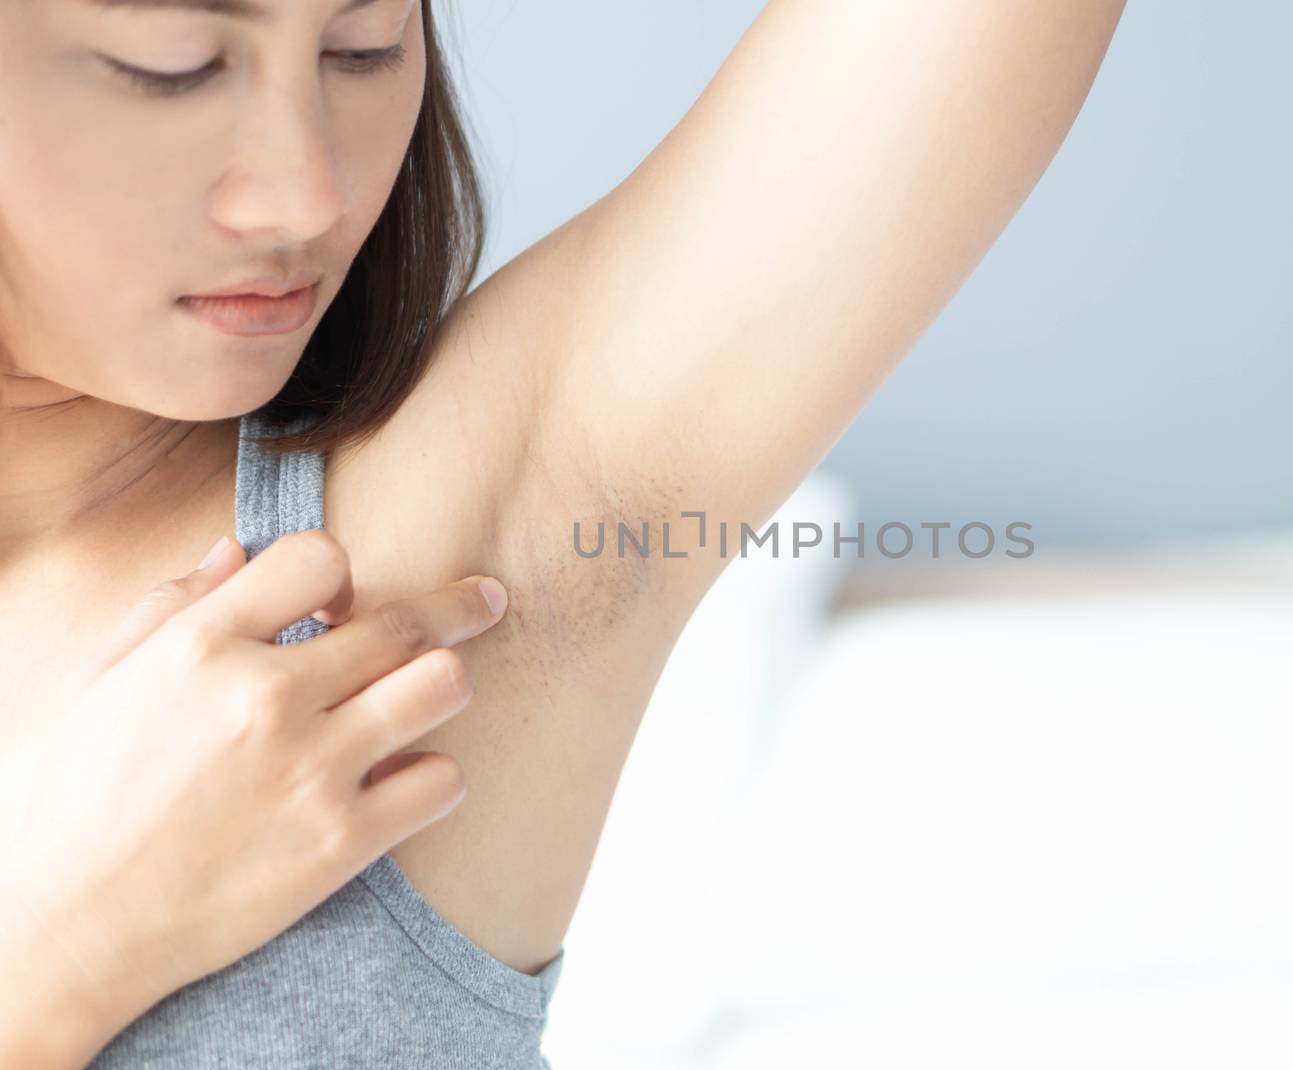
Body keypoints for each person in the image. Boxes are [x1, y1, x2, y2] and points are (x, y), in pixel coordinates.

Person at [0, 0, 1127, 1064]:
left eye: (365, 44)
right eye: (172, 64)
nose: (304, 192)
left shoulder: (438, 534)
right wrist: (67, 948)